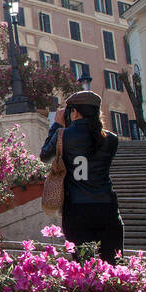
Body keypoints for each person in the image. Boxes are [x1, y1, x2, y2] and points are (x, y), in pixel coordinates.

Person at [40, 89, 124, 263]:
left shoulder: (63, 135)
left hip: (76, 210)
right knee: (113, 266)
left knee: (82, 268)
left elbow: (45, 156)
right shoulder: (112, 140)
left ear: (75, 112)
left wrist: (57, 125)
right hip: (107, 207)